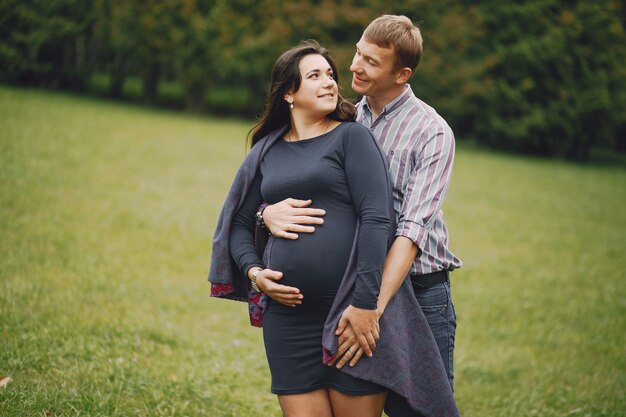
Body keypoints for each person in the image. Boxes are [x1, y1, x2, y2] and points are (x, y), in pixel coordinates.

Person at [209, 40, 459, 417]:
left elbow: (379, 220)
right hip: (289, 320)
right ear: (289, 93)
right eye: (315, 76)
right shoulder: (268, 149)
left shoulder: (352, 136)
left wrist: (364, 304)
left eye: (330, 75)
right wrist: (255, 271)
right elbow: (240, 223)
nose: (330, 82)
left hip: (352, 312)